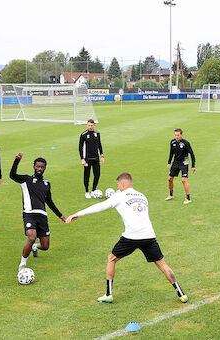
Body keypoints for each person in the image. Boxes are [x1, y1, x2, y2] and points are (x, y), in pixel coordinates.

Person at [66, 173, 188, 304]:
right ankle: (181, 294)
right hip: (149, 235)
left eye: (118, 184)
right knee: (162, 264)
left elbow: (100, 206)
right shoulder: (142, 196)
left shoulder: (119, 196)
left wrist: (77, 214)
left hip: (131, 236)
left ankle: (108, 294)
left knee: (111, 259)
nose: (117, 187)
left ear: (123, 184)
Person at [10, 152, 66, 270]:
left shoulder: (47, 184)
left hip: (42, 216)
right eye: (38, 166)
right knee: (31, 237)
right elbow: (12, 175)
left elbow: (49, 201)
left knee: (45, 246)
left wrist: (60, 215)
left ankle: (34, 247)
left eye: (42, 167)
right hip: (29, 214)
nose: (40, 168)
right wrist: (17, 161)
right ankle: (22, 264)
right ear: (34, 167)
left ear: (45, 168)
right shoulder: (26, 179)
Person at [165, 128, 196, 204]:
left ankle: (188, 198)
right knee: (169, 179)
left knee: (184, 180)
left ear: (181, 135)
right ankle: (171, 195)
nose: (177, 137)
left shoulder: (186, 143)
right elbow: (171, 153)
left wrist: (193, 166)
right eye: (175, 135)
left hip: (184, 163)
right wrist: (169, 162)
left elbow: (192, 154)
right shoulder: (172, 142)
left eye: (178, 135)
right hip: (176, 162)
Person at [79, 119, 104, 199]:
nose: (90, 127)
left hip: (96, 158)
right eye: (88, 125)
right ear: (87, 125)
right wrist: (82, 159)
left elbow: (99, 145)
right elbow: (80, 148)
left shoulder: (97, 133)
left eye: (91, 125)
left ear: (94, 125)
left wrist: (102, 156)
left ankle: (93, 190)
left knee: (97, 175)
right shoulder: (83, 135)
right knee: (87, 176)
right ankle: (87, 191)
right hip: (87, 159)